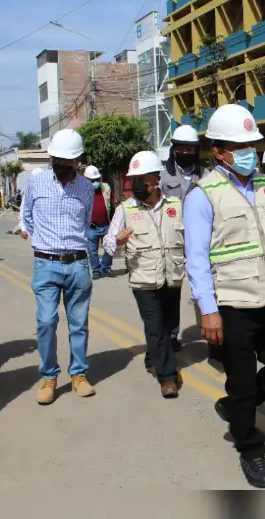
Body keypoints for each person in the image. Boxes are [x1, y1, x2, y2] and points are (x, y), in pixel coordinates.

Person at [184, 104, 265, 488]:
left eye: (252, 144)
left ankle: (237, 408)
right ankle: (250, 449)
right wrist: (208, 310)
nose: (249, 151)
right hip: (232, 304)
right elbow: (197, 258)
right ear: (219, 151)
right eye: (240, 145)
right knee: (242, 381)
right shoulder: (203, 194)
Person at [22, 129, 96, 405]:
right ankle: (49, 377)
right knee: (45, 322)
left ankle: (78, 373)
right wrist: (43, 241)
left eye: (69, 161)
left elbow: (86, 223)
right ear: (51, 157)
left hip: (77, 263)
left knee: (79, 324)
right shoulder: (36, 182)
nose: (63, 166)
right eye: (58, 160)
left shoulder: (87, 188)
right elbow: (27, 217)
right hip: (46, 262)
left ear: (77, 161)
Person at [104, 151, 186, 398]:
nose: (136, 184)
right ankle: (168, 377)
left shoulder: (176, 206)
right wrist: (117, 241)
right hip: (143, 278)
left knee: (169, 325)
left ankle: (153, 357)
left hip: (172, 276)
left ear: (156, 180)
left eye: (141, 179)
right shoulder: (126, 209)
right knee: (155, 327)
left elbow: (189, 240)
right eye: (134, 179)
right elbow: (109, 242)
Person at [160, 124, 204, 353]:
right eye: (182, 149)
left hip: (201, 241)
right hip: (174, 242)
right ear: (174, 149)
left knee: (204, 288)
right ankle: (172, 333)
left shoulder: (205, 175)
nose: (186, 153)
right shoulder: (163, 176)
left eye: (191, 149)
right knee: (172, 291)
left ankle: (209, 330)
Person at [83, 165, 114, 279]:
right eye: (92, 180)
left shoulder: (106, 187)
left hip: (106, 224)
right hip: (91, 226)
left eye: (97, 179)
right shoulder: (82, 190)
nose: (95, 182)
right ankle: (96, 270)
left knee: (109, 247)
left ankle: (106, 267)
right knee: (92, 251)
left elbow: (112, 204)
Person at [10, 167, 46, 237]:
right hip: (36, 231)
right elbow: (24, 211)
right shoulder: (29, 193)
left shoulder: (50, 191)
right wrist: (23, 228)